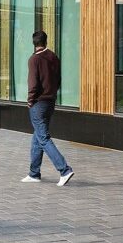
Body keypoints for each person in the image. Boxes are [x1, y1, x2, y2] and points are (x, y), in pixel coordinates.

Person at [22, 30, 74, 186]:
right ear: (46, 41)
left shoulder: (34, 59)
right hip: (50, 101)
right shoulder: (54, 57)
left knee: (43, 138)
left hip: (38, 103)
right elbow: (58, 80)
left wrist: (30, 100)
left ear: (34, 43)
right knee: (37, 137)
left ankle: (64, 170)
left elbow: (33, 83)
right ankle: (34, 173)